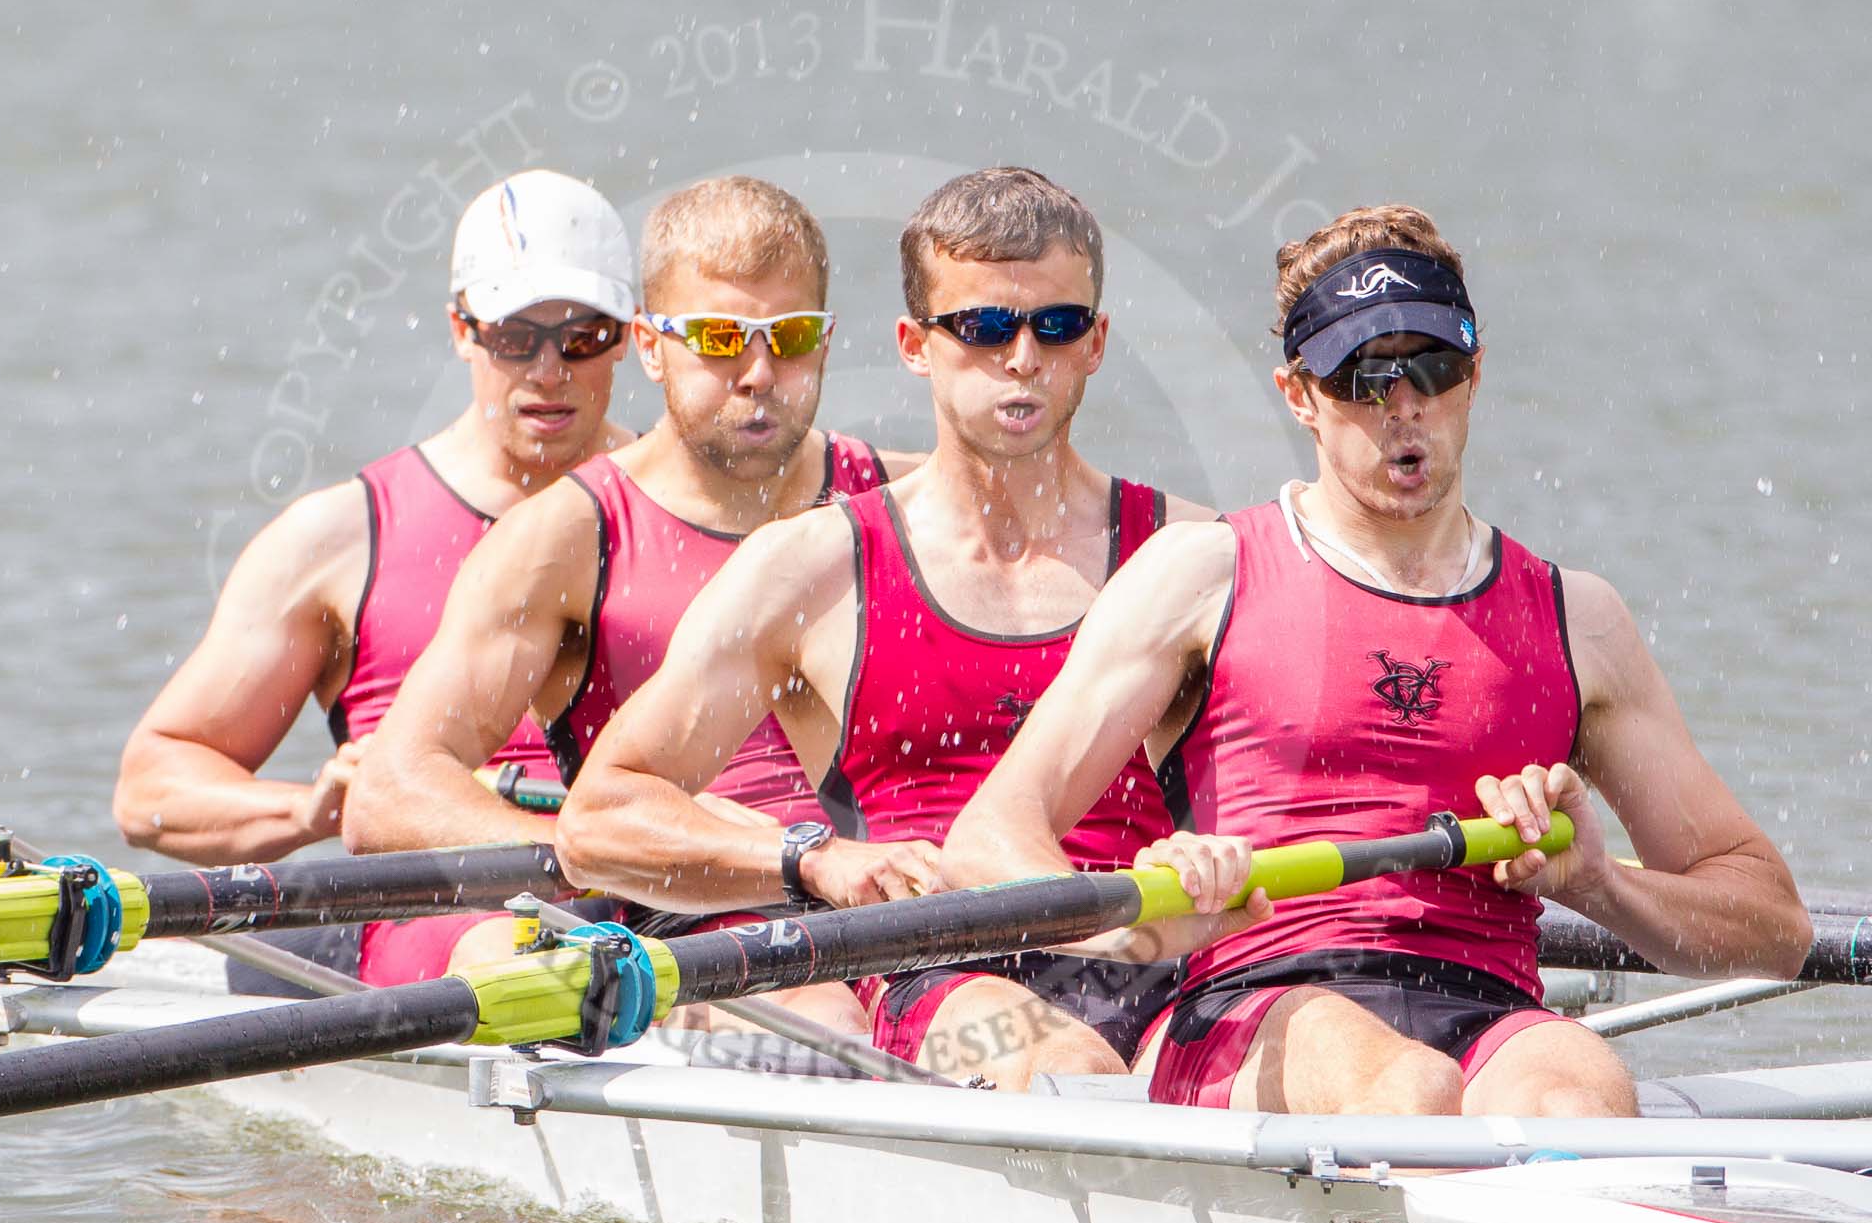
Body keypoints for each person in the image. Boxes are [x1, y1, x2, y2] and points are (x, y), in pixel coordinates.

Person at [943, 203, 1813, 1115]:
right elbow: (987, 839)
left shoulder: (1578, 619)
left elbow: (1776, 929)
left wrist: (1598, 883)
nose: (1403, 408)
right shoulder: (1203, 574)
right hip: (1257, 1005)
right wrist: (1142, 923)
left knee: (1581, 1093)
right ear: (1299, 396)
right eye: (1363, 377)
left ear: (1474, 375)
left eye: (1430, 369)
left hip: (1492, 1010)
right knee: (1406, 1085)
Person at [555, 167, 1258, 1088]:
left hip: (1162, 956)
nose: (1021, 358)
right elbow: (597, 819)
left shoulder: (1193, 552)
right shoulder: (811, 568)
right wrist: (810, 858)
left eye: (1055, 325)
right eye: (982, 327)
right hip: (942, 972)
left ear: (1096, 343)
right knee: (1065, 1065)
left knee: (1348, 1065)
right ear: (913, 345)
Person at [343, 176, 911, 1010]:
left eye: (787, 337)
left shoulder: (895, 499)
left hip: (894, 900)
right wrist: (603, 842)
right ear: (649, 346)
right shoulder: (564, 537)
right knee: (822, 1011)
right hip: (692, 924)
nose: (758, 372)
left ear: (824, 341)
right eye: (719, 339)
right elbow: (389, 792)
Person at [113, 170, 635, 868]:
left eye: (583, 336)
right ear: (461, 328)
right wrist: (305, 811)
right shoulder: (337, 539)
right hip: (438, 916)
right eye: (514, 336)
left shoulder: (695, 510)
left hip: (649, 906)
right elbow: (151, 785)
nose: (547, 371)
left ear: (627, 337)